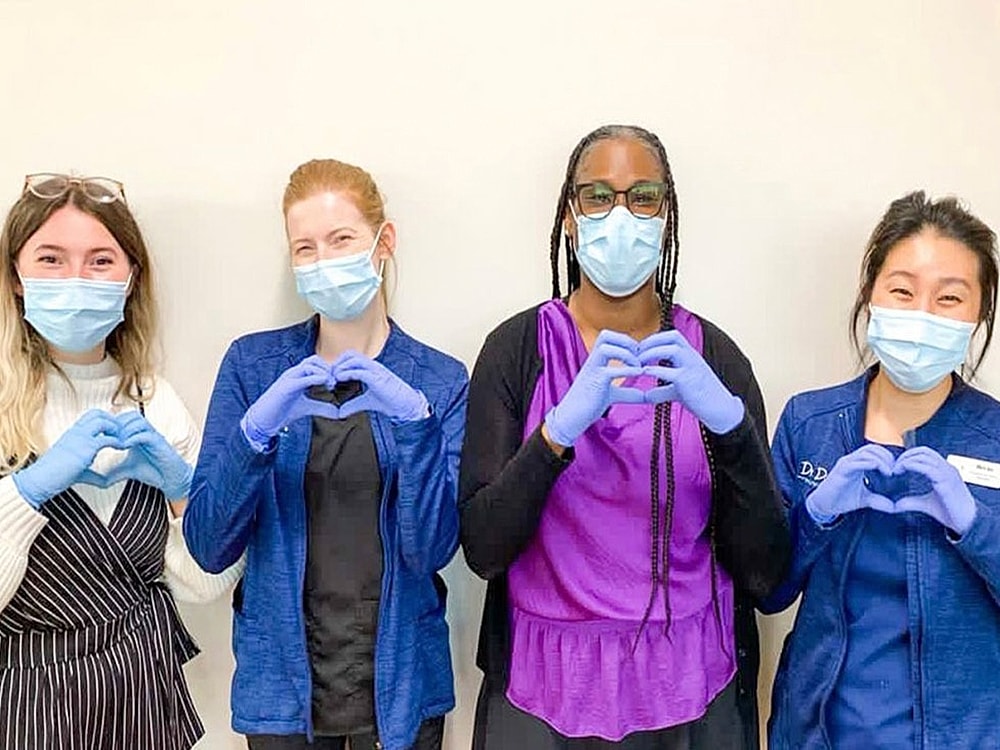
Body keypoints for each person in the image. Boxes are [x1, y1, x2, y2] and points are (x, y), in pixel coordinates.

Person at [459, 124, 790, 749]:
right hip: (543, 691)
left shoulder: (714, 358)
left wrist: (731, 430)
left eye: (643, 197)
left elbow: (767, 571)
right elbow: (483, 547)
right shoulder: (516, 352)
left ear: (667, 218)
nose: (620, 215)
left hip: (691, 690)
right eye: (597, 196)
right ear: (568, 216)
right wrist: (555, 435)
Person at [183, 158, 468, 750]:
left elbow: (432, 550)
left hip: (401, 684)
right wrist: (255, 434)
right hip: (281, 693)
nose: (324, 262)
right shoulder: (252, 366)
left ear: (383, 242)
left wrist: (415, 425)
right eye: (305, 248)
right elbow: (209, 546)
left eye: (342, 240)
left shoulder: (438, 381)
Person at [0, 173, 241, 749]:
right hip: (26, 706)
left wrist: (187, 492)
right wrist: (27, 492)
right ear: (15, 277)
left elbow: (207, 586)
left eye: (100, 260)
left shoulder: (157, 403)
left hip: (142, 701)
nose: (77, 279)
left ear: (131, 278)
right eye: (52, 259)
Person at [762, 191, 1000, 749]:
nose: (921, 314)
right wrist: (815, 516)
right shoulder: (810, 421)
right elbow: (768, 591)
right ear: (870, 295)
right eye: (902, 290)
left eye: (949, 298)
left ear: (978, 316)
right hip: (820, 734)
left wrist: (977, 528)